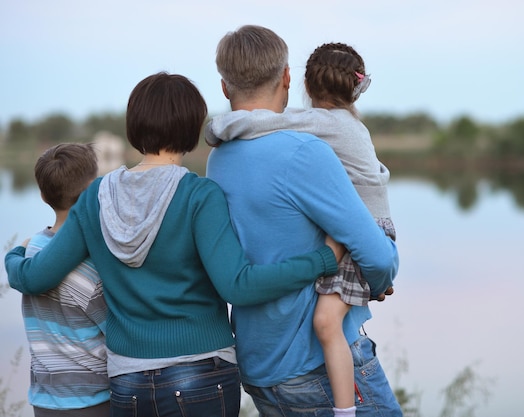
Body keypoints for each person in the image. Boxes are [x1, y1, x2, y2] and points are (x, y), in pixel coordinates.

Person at [5, 72, 344, 417]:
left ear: (133, 125)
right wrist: (322, 259)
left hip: (128, 379)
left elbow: (34, 278)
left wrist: (15, 254)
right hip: (201, 372)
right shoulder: (199, 195)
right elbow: (238, 286)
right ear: (191, 129)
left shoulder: (95, 197)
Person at [206, 25, 402, 416]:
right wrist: (380, 281)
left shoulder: (218, 159)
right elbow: (379, 257)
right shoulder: (306, 153)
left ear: (225, 87)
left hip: (259, 364)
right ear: (286, 77)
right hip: (314, 367)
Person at [20, 143, 109, 417]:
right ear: (92, 190)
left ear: (43, 195)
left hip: (44, 400)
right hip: (92, 399)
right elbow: (115, 332)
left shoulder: (31, 249)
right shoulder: (90, 265)